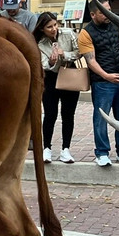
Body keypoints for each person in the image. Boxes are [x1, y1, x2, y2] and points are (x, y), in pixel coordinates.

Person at [78, 0, 119, 167]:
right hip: (102, 83)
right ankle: (102, 153)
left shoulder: (117, 24)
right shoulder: (86, 33)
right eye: (103, 12)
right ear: (93, 14)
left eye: (109, 11)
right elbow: (90, 60)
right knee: (101, 118)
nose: (108, 15)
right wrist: (106, 76)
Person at [33, 12, 80, 164]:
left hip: (70, 74)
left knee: (68, 114)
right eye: (49, 27)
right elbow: (44, 65)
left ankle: (66, 149)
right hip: (51, 79)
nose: (54, 29)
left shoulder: (68, 33)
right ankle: (47, 148)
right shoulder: (39, 44)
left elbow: (79, 52)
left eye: (55, 25)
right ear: (42, 29)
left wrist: (64, 54)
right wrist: (53, 62)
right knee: (50, 114)